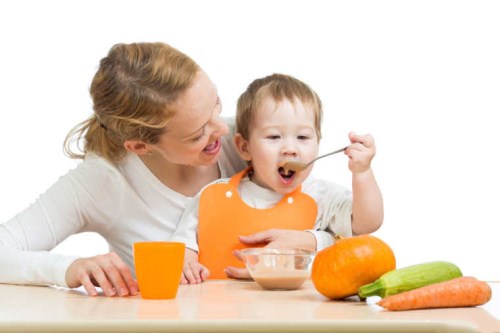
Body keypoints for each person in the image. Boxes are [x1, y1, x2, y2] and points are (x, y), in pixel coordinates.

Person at [0, 43, 330, 297]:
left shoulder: (251, 144)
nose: (222, 130)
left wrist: (310, 240)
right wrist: (67, 267)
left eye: (216, 105)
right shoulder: (104, 181)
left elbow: (335, 219)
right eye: (198, 133)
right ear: (141, 147)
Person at [173, 73, 384, 284]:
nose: (290, 149)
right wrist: (187, 260)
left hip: (296, 313)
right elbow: (182, 247)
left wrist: (362, 172)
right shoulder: (212, 196)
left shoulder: (321, 196)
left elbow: (367, 223)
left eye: (303, 137)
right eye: (274, 137)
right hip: (220, 312)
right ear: (244, 147)